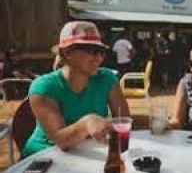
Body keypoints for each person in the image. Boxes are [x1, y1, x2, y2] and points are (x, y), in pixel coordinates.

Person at [23, 21, 130, 157]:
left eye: (102, 52)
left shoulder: (107, 78)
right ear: (67, 52)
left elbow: (124, 119)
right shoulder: (44, 86)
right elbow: (60, 140)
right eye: (92, 51)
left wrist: (157, 124)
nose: (98, 58)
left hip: (87, 152)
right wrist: (87, 122)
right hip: (44, 155)